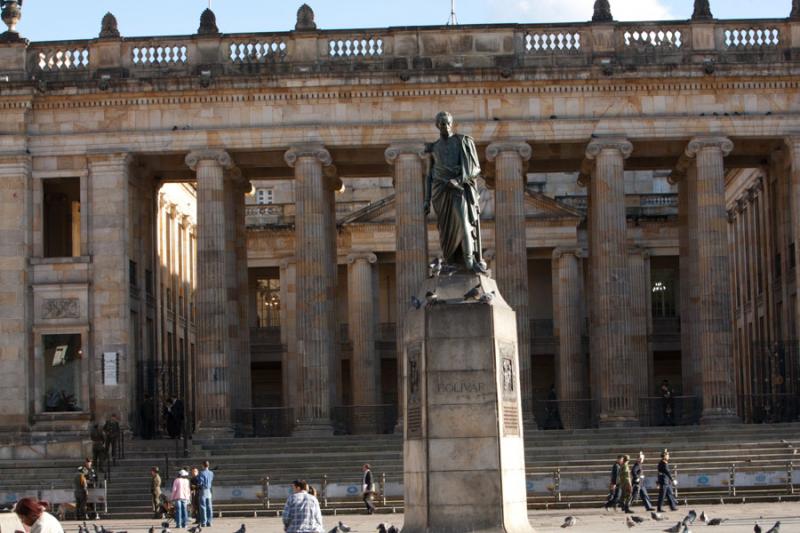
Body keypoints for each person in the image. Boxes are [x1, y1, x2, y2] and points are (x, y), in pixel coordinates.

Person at [423, 111, 487, 273]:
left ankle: (469, 261)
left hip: (458, 188)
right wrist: (426, 200)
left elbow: (475, 168)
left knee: (464, 223)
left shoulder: (463, 142)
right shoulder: (434, 148)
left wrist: (458, 180)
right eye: (442, 123)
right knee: (444, 230)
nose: (445, 126)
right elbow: (430, 175)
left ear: (452, 123)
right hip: (440, 191)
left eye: (447, 122)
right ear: (437, 125)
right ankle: (450, 261)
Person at [197, 460, 215, 527]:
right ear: (208, 465)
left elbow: (200, 483)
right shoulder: (211, 473)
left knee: (203, 507)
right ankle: (209, 521)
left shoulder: (201, 473)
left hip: (203, 490)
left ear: (203, 465)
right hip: (209, 490)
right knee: (209, 506)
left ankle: (204, 522)